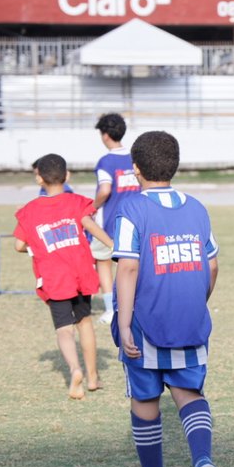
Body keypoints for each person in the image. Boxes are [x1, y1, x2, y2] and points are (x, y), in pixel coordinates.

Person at [111, 131, 219, 467]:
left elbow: (127, 266)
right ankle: (202, 460)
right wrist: (198, 299)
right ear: (175, 165)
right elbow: (213, 263)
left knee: (144, 398)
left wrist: (124, 324)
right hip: (189, 318)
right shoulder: (197, 208)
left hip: (144, 320)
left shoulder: (131, 209)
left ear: (135, 168)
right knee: (189, 394)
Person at [14, 154, 113, 399]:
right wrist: (114, 244)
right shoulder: (77, 202)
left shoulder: (29, 211)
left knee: (64, 330)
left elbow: (18, 245)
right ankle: (92, 378)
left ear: (39, 178)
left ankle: (74, 369)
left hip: (53, 277)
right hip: (80, 273)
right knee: (85, 323)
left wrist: (35, 245)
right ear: (67, 176)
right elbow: (91, 227)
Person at [93, 113, 139, 325]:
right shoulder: (135, 158)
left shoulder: (106, 161)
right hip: (135, 220)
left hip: (110, 223)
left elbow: (104, 190)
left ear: (104, 136)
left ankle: (112, 309)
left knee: (103, 264)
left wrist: (92, 207)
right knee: (131, 265)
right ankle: (132, 304)